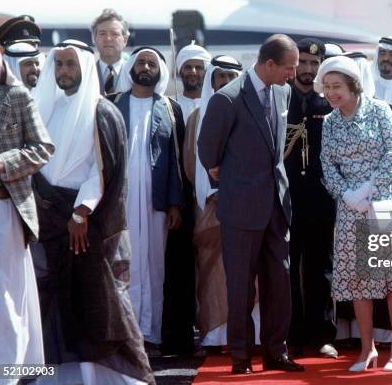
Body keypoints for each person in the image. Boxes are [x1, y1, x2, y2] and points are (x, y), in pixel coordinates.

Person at [31, 39, 154, 384]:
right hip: (51, 224)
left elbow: (103, 171)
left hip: (87, 226)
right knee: (57, 304)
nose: (64, 72)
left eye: (71, 65)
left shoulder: (102, 111)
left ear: (85, 67)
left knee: (101, 303)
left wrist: (81, 213)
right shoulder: (50, 109)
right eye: (59, 65)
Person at [198, 34, 304, 375]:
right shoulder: (227, 99)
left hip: (277, 206)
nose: (293, 75)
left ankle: (276, 352)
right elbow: (207, 151)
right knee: (241, 286)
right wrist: (226, 174)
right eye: (288, 68)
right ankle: (241, 358)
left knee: (279, 284)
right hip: (241, 208)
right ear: (269, 64)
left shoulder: (283, 91)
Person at [318, 56, 392, 372]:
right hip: (350, 208)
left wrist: (367, 189)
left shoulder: (380, 111)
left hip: (386, 199)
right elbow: (327, 165)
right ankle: (367, 349)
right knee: (358, 281)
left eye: (337, 86)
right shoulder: (329, 122)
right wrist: (347, 194)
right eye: (327, 87)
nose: (331, 93)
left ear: (353, 85)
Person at [109, 46, 185, 355]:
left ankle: (150, 336)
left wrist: (175, 204)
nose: (145, 67)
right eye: (140, 61)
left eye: (151, 63)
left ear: (160, 71)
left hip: (156, 203)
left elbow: (177, 162)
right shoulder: (113, 105)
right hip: (119, 202)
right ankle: (123, 337)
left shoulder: (169, 108)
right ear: (131, 66)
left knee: (154, 268)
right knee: (122, 265)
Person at [182, 54, 248, 353]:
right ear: (212, 80)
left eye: (230, 76)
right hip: (209, 205)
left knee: (246, 271)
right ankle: (215, 337)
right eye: (220, 76)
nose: (225, 81)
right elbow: (189, 162)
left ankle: (250, 334)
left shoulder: (251, 110)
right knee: (211, 273)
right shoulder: (198, 116)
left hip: (246, 203)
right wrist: (212, 191)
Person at [0, 42, 52, 385]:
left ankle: (9, 372)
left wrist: (3, 162)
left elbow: (43, 148)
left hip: (4, 206)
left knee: (7, 292)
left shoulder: (16, 96)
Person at [284, 38, 338, 359]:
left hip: (321, 197)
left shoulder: (328, 102)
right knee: (287, 268)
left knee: (321, 268)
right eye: (301, 63)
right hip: (286, 197)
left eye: (312, 64)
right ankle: (290, 335)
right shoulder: (279, 98)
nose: (306, 70)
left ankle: (321, 335)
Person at [92, 9, 129, 95]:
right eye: (102, 33)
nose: (108, 39)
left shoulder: (133, 73)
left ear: (125, 40)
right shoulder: (87, 74)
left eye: (114, 34)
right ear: (94, 39)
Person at [175, 41, 212, 123]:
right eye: (188, 67)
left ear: (206, 72)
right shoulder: (170, 105)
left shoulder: (214, 104)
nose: (193, 72)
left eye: (198, 68)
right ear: (180, 71)